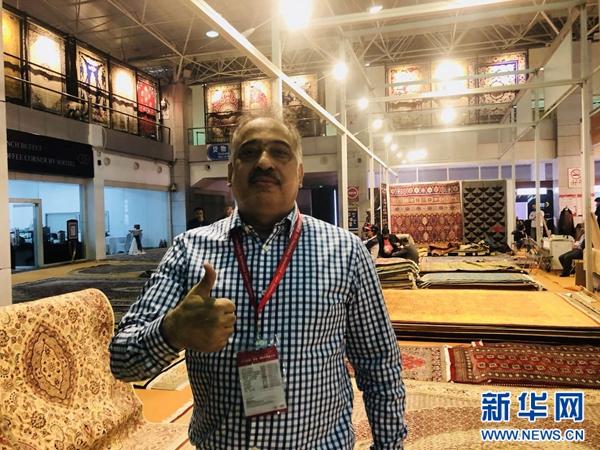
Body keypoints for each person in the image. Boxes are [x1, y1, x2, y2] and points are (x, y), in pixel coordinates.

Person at [109, 111, 406, 449]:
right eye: (249, 153)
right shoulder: (189, 251)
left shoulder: (346, 252)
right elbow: (121, 360)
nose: (264, 162)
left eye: (280, 152)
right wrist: (171, 331)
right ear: (230, 174)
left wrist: (389, 445)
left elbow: (379, 365)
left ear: (300, 173)